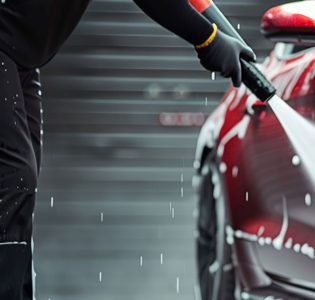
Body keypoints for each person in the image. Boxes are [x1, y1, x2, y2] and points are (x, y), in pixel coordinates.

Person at [0, 0, 254, 299]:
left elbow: (195, 2)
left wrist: (233, 41)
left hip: (21, 57)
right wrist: (208, 39)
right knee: (14, 179)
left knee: (20, 191)